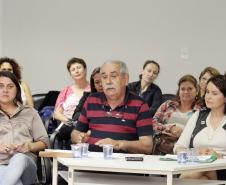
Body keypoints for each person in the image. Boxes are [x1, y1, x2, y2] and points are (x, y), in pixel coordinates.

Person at [71, 60, 153, 154]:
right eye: (104, 77)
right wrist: (78, 137)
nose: (108, 81)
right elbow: (75, 133)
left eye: (113, 76)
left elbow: (147, 146)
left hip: (122, 165)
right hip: (91, 161)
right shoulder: (91, 100)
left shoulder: (140, 105)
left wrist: (118, 144)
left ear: (125, 79)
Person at [0, 71, 49, 185]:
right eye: (1, 86)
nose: (5, 90)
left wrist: (29, 146)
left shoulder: (30, 113)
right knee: (16, 182)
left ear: (17, 90)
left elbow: (45, 142)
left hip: (26, 166)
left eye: (10, 86)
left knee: (19, 158)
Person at [174, 74, 226, 180]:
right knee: (202, 179)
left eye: (214, 93)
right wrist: (194, 153)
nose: (208, 97)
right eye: (207, 92)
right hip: (198, 167)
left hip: (222, 169)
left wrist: (219, 156)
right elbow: (179, 147)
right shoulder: (197, 115)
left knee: (194, 174)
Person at [152, 75, 200, 154]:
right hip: (163, 147)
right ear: (179, 91)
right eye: (183, 89)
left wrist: (183, 132)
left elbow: (202, 132)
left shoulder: (201, 110)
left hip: (187, 150)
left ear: (196, 91)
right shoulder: (168, 105)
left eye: (190, 89)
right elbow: (153, 123)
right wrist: (170, 128)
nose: (186, 92)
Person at [58, 67, 103, 141]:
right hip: (84, 127)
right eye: (97, 82)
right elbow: (75, 115)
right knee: (66, 131)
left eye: (102, 81)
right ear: (94, 85)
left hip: (99, 130)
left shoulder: (113, 99)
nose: (100, 85)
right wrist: (88, 116)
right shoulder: (87, 96)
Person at [54, 57, 90, 123]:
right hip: (68, 124)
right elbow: (57, 114)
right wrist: (70, 122)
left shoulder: (94, 89)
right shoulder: (65, 91)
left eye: (79, 68)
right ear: (70, 74)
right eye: (73, 69)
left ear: (85, 70)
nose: (77, 71)